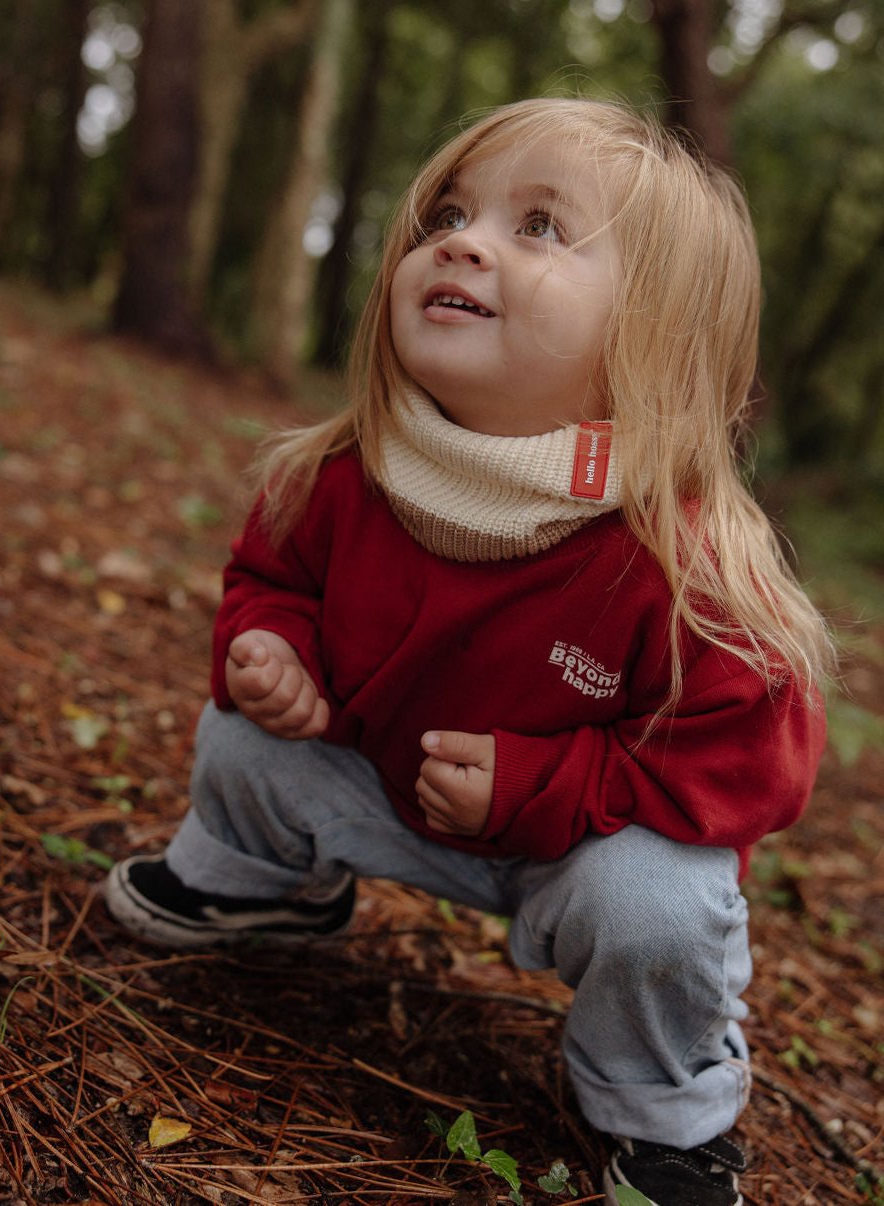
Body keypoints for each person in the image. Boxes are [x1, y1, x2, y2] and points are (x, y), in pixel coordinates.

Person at [105, 98, 832, 1206]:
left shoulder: (680, 563)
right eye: (448, 211)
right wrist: (273, 649)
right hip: (385, 787)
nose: (461, 238)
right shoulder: (343, 476)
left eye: (538, 226)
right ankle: (265, 888)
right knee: (241, 734)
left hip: (582, 850)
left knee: (662, 904)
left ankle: (662, 1115)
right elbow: (271, 584)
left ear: (652, 332)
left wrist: (548, 784)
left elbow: (745, 766)